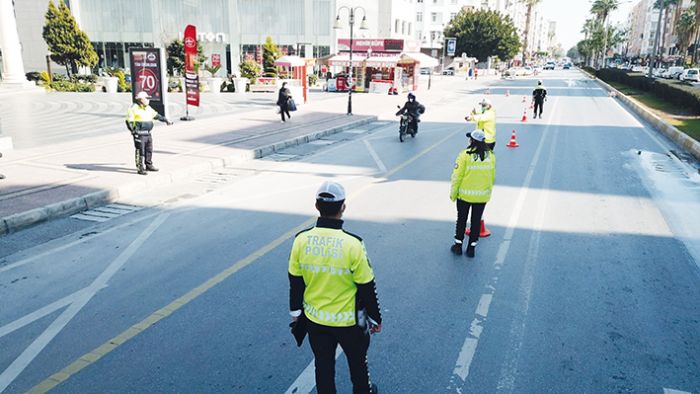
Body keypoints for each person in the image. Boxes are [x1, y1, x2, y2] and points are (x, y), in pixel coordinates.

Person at [288, 181, 382, 394]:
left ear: (316, 206)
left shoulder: (301, 240)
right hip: (348, 323)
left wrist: (296, 314)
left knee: (323, 366)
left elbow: (295, 282)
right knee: (358, 364)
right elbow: (367, 286)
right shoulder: (353, 244)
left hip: (315, 321)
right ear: (343, 207)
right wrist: (376, 318)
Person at [450, 130, 496, 258]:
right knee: (476, 222)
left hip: (464, 195)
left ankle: (458, 246)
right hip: (481, 197)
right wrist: (487, 193)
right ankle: (471, 249)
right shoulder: (491, 156)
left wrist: (453, 194)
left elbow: (456, 176)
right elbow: (491, 177)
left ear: (472, 141)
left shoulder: (464, 155)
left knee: (462, 220)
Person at [125, 92, 172, 175]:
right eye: (146, 98)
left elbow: (157, 115)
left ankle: (149, 165)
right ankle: (140, 168)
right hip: (139, 133)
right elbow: (129, 121)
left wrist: (166, 120)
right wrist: (133, 131)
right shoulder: (133, 108)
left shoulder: (148, 108)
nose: (148, 100)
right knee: (140, 151)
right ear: (140, 99)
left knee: (149, 150)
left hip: (148, 133)